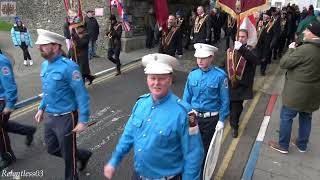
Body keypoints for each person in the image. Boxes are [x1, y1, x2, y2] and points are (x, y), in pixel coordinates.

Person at [104, 53, 204, 180]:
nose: (156, 83)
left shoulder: (184, 112)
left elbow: (193, 154)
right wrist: (114, 160)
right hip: (138, 176)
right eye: (152, 78)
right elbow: (128, 135)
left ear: (170, 79)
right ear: (147, 79)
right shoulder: (140, 104)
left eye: (162, 78)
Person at [34, 29, 92, 179]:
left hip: (67, 117)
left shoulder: (69, 67)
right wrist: (41, 108)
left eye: (43, 45)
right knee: (52, 148)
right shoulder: (44, 66)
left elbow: (81, 95)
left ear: (55, 46)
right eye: (39, 45)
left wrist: (83, 119)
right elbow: (48, 90)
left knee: (68, 156)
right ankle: (82, 155)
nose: (39, 47)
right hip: (51, 116)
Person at [268, 21, 320, 154]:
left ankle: (283, 145)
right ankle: (302, 144)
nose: (304, 33)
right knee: (306, 117)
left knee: (286, 116)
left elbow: (284, 63)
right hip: (313, 93)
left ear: (314, 35)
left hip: (296, 93)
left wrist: (291, 49)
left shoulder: (305, 50)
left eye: (307, 31)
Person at [183, 43, 229, 176]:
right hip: (193, 116)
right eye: (198, 58)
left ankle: (203, 174)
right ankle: (192, 173)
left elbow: (225, 100)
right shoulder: (192, 75)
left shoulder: (220, 76)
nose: (200, 61)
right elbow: (186, 98)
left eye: (203, 58)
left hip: (211, 119)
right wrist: (185, 116)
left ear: (211, 57)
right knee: (191, 146)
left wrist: (221, 120)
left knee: (205, 148)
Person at [0, 53, 36, 170]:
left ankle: (8, 156)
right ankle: (28, 130)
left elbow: (10, 86)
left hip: (2, 101)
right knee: (3, 125)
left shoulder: (2, 61)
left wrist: (9, 104)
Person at [225, 29, 260, 138]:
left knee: (237, 108)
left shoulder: (251, 50)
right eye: (239, 36)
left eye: (243, 37)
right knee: (230, 105)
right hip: (230, 83)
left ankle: (234, 126)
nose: (240, 38)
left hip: (242, 85)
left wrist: (241, 49)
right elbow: (225, 63)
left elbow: (255, 60)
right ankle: (232, 120)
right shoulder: (231, 50)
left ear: (247, 38)